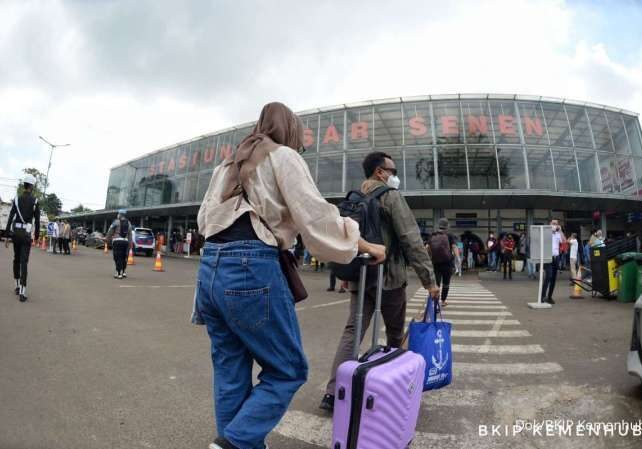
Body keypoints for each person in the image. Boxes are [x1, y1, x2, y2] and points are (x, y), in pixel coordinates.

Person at [191, 102, 386, 449]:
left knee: (230, 370)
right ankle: (233, 443)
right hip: (250, 266)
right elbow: (315, 216)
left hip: (210, 268)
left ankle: (240, 443)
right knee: (288, 370)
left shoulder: (227, 165)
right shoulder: (282, 156)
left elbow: (204, 219)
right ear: (290, 130)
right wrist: (364, 244)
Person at [320, 150, 439, 413]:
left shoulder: (354, 198)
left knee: (352, 332)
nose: (395, 176)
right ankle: (388, 388)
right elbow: (411, 239)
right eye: (392, 171)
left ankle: (333, 392)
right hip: (389, 277)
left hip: (361, 277)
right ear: (380, 172)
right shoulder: (391, 197)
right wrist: (429, 281)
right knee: (395, 334)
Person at [4, 175, 40, 302]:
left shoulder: (16, 200)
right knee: (24, 262)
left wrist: (7, 235)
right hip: (26, 234)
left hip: (16, 234)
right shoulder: (35, 201)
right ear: (31, 186)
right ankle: (23, 292)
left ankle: (17, 286)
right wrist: (36, 237)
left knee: (16, 259)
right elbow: (37, 221)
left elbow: (10, 217)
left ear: (24, 185)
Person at [428, 218, 457, 307]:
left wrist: (429, 258)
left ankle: (435, 301)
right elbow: (454, 247)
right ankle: (443, 301)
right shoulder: (449, 235)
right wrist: (458, 259)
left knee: (436, 283)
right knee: (446, 283)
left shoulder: (433, 234)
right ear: (447, 226)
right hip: (447, 263)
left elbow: (427, 248)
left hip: (435, 263)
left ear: (439, 225)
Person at [541, 219, 566, 304]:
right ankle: (542, 296)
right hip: (548, 257)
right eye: (553, 223)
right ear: (550, 224)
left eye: (556, 224)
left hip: (556, 257)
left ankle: (549, 297)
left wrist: (561, 230)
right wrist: (550, 230)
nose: (555, 225)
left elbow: (564, 241)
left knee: (554, 278)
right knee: (548, 276)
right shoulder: (546, 232)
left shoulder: (558, 234)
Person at [105, 210, 132, 279]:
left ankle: (118, 273)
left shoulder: (115, 222)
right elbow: (130, 234)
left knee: (117, 257)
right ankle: (123, 272)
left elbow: (110, 231)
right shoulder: (129, 223)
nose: (118, 215)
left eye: (118, 214)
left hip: (117, 241)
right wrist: (130, 244)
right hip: (125, 242)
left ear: (120, 214)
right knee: (124, 257)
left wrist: (107, 239)